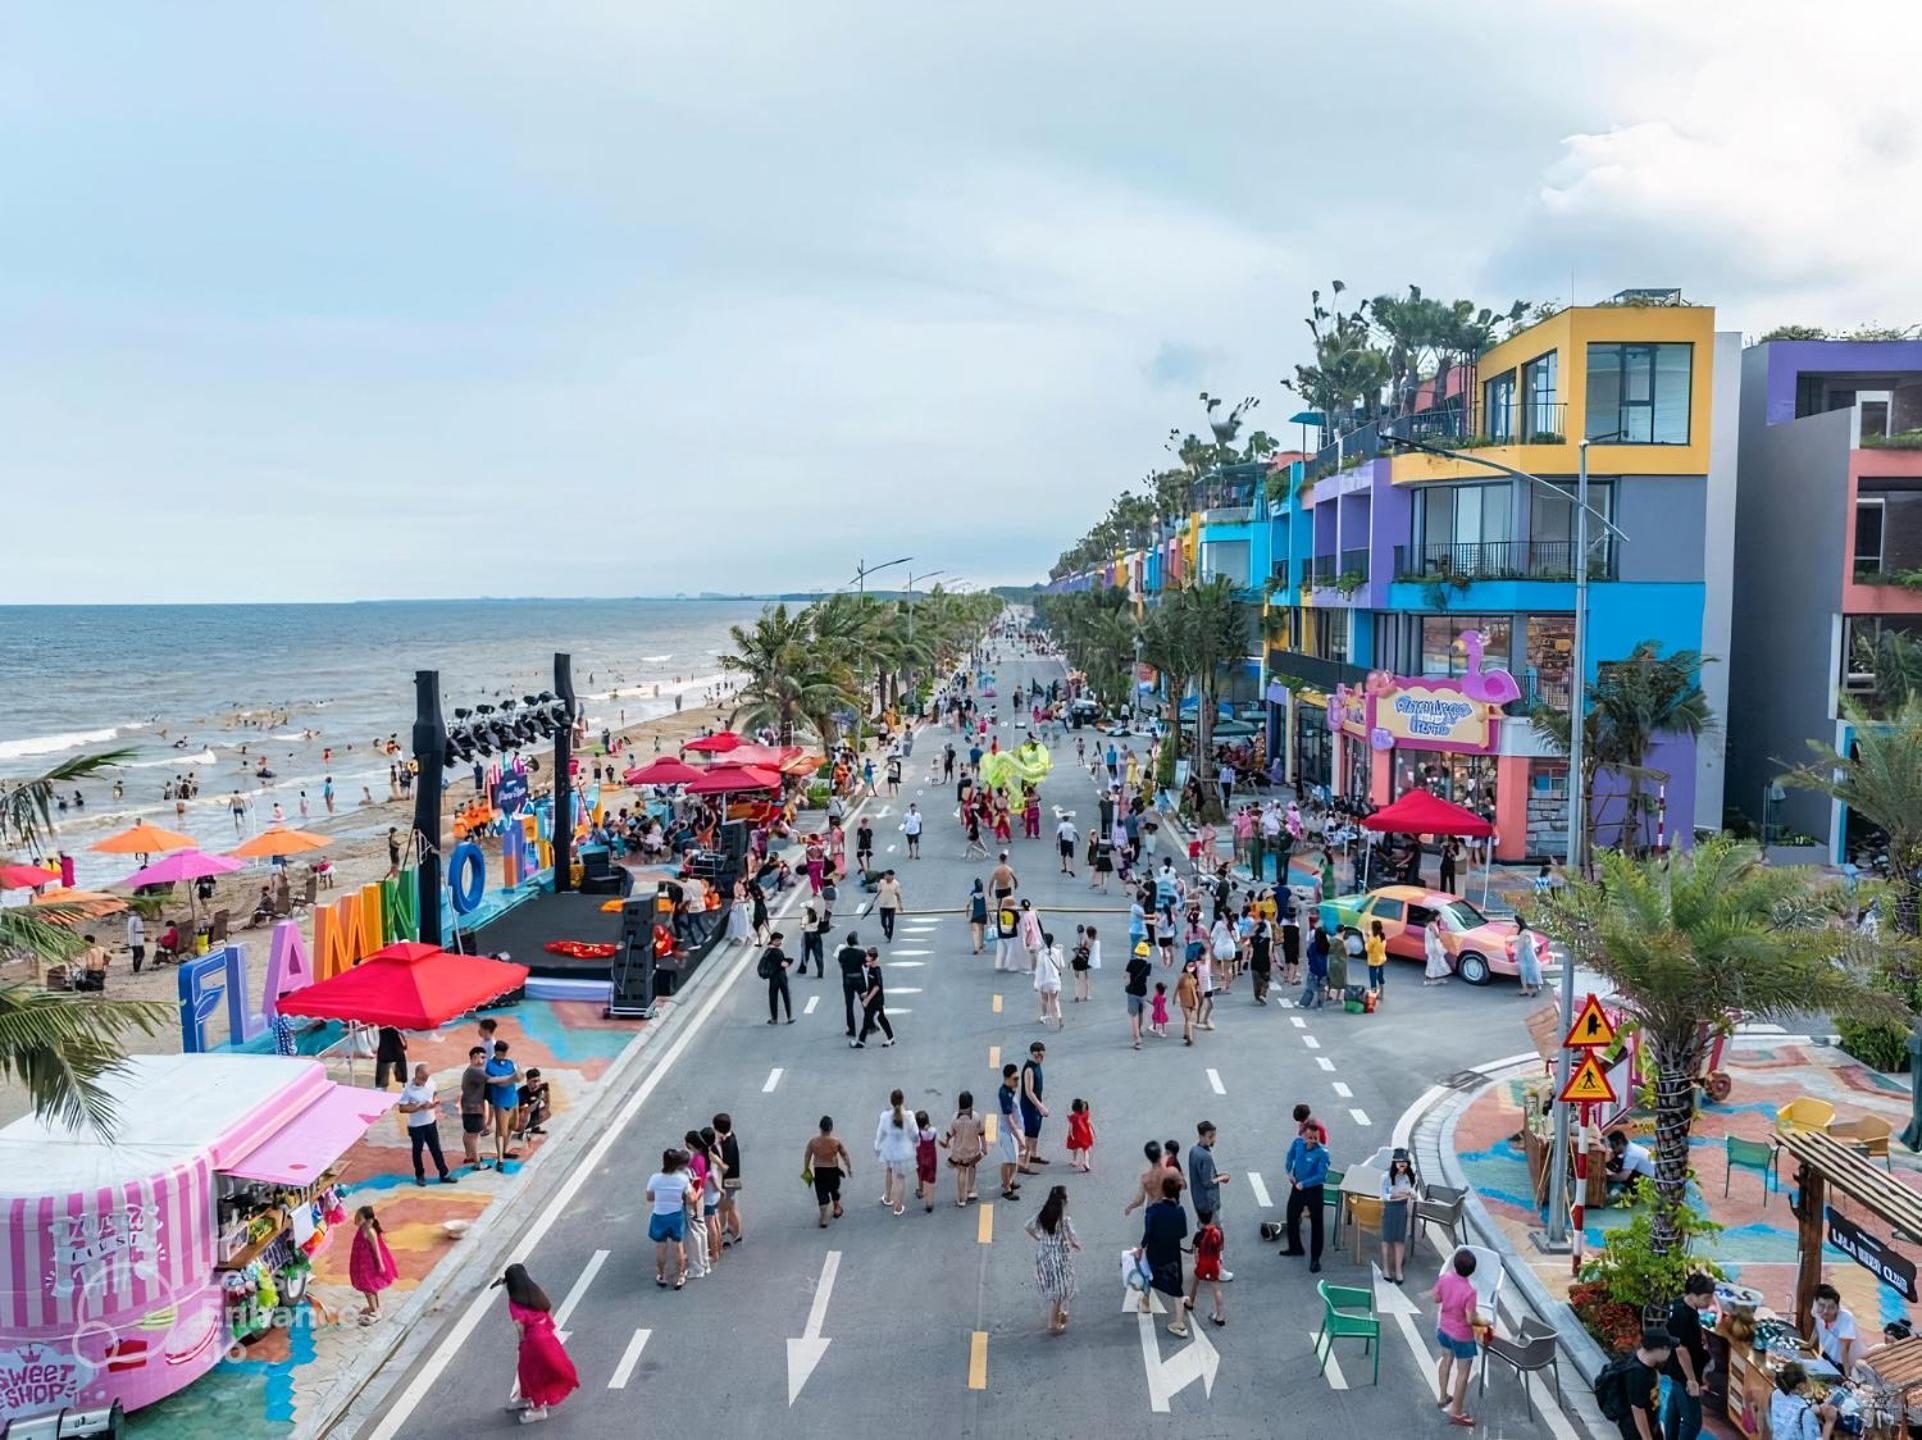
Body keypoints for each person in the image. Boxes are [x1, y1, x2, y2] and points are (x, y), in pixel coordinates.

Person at [495, 1264, 579, 1425]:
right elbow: (549, 1313)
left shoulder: (514, 1303)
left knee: (531, 1375)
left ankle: (537, 1409)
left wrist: (522, 1345)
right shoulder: (536, 1292)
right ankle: (539, 1401)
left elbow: (520, 1328)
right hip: (548, 1338)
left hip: (534, 1342)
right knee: (549, 1370)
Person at [1433, 1248, 1488, 1428]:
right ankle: (1456, 1412)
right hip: (1462, 1336)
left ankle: (1442, 1396)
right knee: (1463, 1372)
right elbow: (1470, 1318)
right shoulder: (1469, 1292)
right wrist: (1484, 1324)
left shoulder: (1445, 1278)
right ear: (1472, 1270)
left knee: (1446, 1360)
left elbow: (1436, 1298)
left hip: (1444, 1329)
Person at [1137, 1175, 1190, 1338]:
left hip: (1155, 1250)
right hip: (1172, 1252)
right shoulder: (1179, 1210)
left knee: (1148, 1274)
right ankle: (1179, 1323)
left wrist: (1142, 1246)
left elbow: (1148, 1232)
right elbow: (1183, 1232)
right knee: (1176, 1287)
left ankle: (1145, 1302)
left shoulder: (1153, 1210)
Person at [1663, 1272, 1715, 1440]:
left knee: (1675, 1409)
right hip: (1684, 1372)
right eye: (1707, 1298)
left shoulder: (1679, 1305)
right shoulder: (1683, 1316)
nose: (1709, 1302)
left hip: (1677, 1370)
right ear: (1696, 1295)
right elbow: (1681, 1350)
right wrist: (1692, 1380)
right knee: (1693, 1421)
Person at [1026, 1185, 1082, 1335]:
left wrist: (1040, 1238)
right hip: (1060, 1257)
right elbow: (1070, 1236)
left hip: (1044, 1257)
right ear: (1063, 1201)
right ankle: (1054, 1322)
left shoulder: (1043, 1214)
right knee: (1062, 1290)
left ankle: (1060, 1315)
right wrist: (1075, 1244)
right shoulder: (1064, 1220)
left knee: (1056, 1289)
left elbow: (1028, 1227)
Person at [1187, 1121, 1233, 1282]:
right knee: (1216, 1235)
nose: (1214, 1139)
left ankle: (1201, 1263)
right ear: (1203, 1136)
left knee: (1204, 1233)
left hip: (1199, 1201)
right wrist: (1222, 1177)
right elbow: (1208, 1182)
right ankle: (1217, 1268)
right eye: (1211, 1136)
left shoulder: (1194, 1151)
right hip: (1209, 1203)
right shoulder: (1205, 1156)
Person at [397, 1062, 456, 1186]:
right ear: (416, 1075)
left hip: (430, 1122)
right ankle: (420, 1175)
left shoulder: (431, 1082)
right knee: (417, 1151)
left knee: (436, 1149)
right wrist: (419, 1107)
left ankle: (444, 1173)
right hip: (416, 1126)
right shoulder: (408, 1089)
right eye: (421, 1079)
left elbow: (434, 1093)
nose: (423, 1082)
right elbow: (402, 1108)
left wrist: (434, 1101)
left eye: (425, 1079)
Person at [1281, 1123, 1329, 1271]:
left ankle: (1315, 1258)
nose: (1312, 1141)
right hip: (1298, 1187)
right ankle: (1295, 1247)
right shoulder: (1297, 1144)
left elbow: (1321, 1176)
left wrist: (1304, 1184)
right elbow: (1290, 1156)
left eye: (1315, 1138)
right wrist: (1289, 1171)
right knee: (1292, 1215)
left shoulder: (1322, 1153)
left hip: (1313, 1190)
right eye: (1310, 1137)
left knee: (1316, 1223)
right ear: (1304, 1135)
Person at [646, 1148, 693, 1286]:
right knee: (678, 1246)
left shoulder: (655, 1178)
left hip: (659, 1215)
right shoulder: (682, 1179)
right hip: (676, 1216)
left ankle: (661, 1275)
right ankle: (680, 1276)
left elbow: (649, 1197)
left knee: (661, 1246)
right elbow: (691, 1198)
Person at [349, 1206, 397, 1324]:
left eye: (358, 1217)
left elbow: (377, 1250)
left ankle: (375, 1312)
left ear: (365, 1219)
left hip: (368, 1265)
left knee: (368, 1288)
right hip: (361, 1263)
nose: (355, 1219)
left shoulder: (370, 1231)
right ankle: (374, 1307)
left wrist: (380, 1265)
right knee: (370, 1288)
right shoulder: (362, 1228)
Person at [1765, 1361, 1837, 1440]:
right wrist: (1829, 1422)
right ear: (1801, 1385)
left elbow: (1792, 1414)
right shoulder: (1807, 1415)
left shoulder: (1777, 1393)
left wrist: (1814, 1409)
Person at [874, 1090, 917, 1215]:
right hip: (903, 1151)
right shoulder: (909, 1115)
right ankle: (898, 1207)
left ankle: (888, 1197)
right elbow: (915, 1134)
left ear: (891, 1102)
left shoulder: (885, 1116)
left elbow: (880, 1135)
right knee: (900, 1177)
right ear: (903, 1100)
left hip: (889, 1149)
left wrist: (877, 1149)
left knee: (889, 1170)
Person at [804, 1116, 852, 1228]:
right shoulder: (835, 1142)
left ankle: (823, 1218)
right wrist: (848, 1167)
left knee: (822, 1194)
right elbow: (844, 1155)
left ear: (820, 1128)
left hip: (819, 1171)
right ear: (831, 1128)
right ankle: (836, 1208)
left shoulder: (813, 1142)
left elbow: (807, 1156)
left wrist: (806, 1169)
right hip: (833, 1171)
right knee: (834, 1190)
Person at [1380, 1149, 1417, 1283]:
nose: (1402, 1166)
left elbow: (1411, 1192)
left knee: (1399, 1240)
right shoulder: (1386, 1177)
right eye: (1399, 1163)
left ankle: (1398, 1269)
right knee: (1387, 1239)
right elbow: (1384, 1195)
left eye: (1404, 1163)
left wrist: (1409, 1194)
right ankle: (1386, 1268)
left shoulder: (1408, 1177)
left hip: (1402, 1209)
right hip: (1390, 1209)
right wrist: (1398, 1194)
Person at [941, 1093, 985, 1206]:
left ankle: (961, 1199)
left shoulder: (955, 1118)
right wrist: (984, 1147)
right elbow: (982, 1133)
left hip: (959, 1151)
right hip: (973, 1150)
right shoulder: (976, 1117)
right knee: (972, 1167)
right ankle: (970, 1190)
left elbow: (949, 1133)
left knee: (961, 1171)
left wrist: (946, 1142)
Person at [485, 1041, 521, 1169]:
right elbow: (500, 1083)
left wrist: (518, 1075)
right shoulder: (490, 1065)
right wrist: (512, 1077)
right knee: (501, 1131)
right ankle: (500, 1158)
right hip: (501, 1102)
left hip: (513, 1099)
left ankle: (505, 1151)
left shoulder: (510, 1062)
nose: (506, 1055)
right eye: (503, 1053)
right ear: (497, 1052)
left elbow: (519, 1077)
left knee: (512, 1127)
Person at [1188, 1211, 1226, 1328]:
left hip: (1203, 1263)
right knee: (1216, 1289)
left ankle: (1190, 1302)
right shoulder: (1218, 1232)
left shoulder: (1199, 1235)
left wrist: (1198, 1263)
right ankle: (1220, 1316)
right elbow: (1221, 1248)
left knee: (1195, 1283)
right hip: (1214, 1263)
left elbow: (1195, 1252)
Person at [1812, 1283, 1860, 1372]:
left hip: (1841, 1363)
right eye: (1822, 1306)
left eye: (1831, 1307)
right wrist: (1810, 1344)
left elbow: (1845, 1350)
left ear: (1837, 1307)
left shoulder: (1846, 1318)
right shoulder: (1817, 1309)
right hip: (1827, 1354)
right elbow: (1817, 1326)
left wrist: (1847, 1376)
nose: (1825, 1311)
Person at [712, 1112, 744, 1246]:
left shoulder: (722, 1146)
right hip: (734, 1178)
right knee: (728, 1208)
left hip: (726, 1181)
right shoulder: (732, 1137)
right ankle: (731, 1231)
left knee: (727, 1209)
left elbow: (723, 1166)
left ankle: (735, 1234)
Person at [855, 947, 894, 1047]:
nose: (866, 957)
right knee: (879, 1018)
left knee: (870, 1018)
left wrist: (867, 999)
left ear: (872, 958)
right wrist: (867, 993)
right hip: (874, 998)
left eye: (868, 956)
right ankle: (890, 1037)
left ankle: (861, 1041)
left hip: (877, 1000)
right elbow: (872, 986)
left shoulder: (876, 970)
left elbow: (877, 986)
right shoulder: (871, 968)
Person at [1019, 1041, 1050, 1168]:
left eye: (1042, 1056)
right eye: (1037, 1056)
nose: (1040, 1059)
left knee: (1036, 1131)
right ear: (1032, 1055)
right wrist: (1040, 1106)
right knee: (1030, 1135)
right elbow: (1028, 1091)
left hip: (1036, 1104)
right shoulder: (1029, 1069)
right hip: (1030, 1106)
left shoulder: (1037, 1066)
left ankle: (1033, 1155)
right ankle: (1024, 1163)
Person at [996, 1063, 1024, 1199]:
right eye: (1015, 1078)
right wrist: (1019, 1138)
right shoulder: (1004, 1094)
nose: (1018, 1081)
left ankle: (1010, 1181)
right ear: (1007, 1078)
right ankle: (1006, 1188)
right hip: (1008, 1133)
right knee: (1008, 1161)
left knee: (1014, 1160)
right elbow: (1009, 1120)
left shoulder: (1011, 1089)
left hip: (1014, 1131)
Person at [459, 1045, 490, 1169]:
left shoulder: (469, 1071)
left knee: (468, 1133)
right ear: (474, 1057)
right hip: (474, 1109)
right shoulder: (475, 1071)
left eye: (484, 1058)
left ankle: (469, 1156)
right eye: (481, 1057)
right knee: (474, 1135)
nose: (482, 1060)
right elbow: (493, 1080)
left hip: (468, 1108)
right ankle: (477, 1162)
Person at [1605, 1130, 1657, 1195]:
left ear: (1620, 1142)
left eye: (1613, 1147)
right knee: (1619, 1162)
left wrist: (1608, 1178)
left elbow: (1623, 1177)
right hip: (1650, 1173)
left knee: (1625, 1179)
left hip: (1652, 1180)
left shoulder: (1631, 1153)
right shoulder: (1631, 1146)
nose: (1613, 1150)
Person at [837, 931, 868, 1040]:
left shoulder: (842, 952)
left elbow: (841, 964)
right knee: (865, 1002)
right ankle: (868, 1024)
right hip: (859, 979)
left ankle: (852, 1029)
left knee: (849, 1005)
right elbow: (866, 964)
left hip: (848, 980)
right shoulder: (861, 952)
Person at [759, 931, 793, 1024]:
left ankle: (774, 1019)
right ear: (773, 941)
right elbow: (783, 964)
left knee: (773, 997)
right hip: (781, 976)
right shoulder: (777, 952)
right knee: (786, 996)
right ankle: (789, 1017)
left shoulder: (768, 951)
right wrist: (789, 961)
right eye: (778, 940)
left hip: (773, 977)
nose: (780, 942)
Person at [1124, 939, 1153, 1049]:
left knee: (1134, 1015)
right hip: (1142, 992)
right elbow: (1147, 980)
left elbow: (1126, 977)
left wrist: (1127, 983)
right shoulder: (1147, 965)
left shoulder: (1131, 963)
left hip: (1132, 992)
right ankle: (1140, 1030)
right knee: (1141, 1013)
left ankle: (1137, 1039)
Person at [1034, 931, 1063, 1028]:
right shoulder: (1058, 951)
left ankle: (1045, 1016)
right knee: (1055, 1000)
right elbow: (1061, 965)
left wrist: (1037, 984)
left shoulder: (1041, 954)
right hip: (1055, 980)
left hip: (1045, 981)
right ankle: (1059, 1018)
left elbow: (1039, 970)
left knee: (1044, 999)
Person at [913, 1110, 939, 1213]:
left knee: (920, 1173)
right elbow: (939, 1139)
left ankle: (921, 1190)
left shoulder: (917, 1133)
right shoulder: (933, 1131)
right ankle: (929, 1202)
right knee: (930, 1178)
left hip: (921, 1157)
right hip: (931, 1157)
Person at [1515, 915, 1545, 998]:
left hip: (1524, 955)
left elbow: (1521, 946)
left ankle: (1525, 989)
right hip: (1531, 954)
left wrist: (1516, 955)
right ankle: (1536, 987)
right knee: (1533, 970)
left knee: (1524, 971)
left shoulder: (1523, 933)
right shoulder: (1529, 932)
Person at [374, 1026, 408, 1091]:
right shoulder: (395, 1025)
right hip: (396, 1051)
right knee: (401, 1076)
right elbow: (403, 1035)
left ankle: (380, 1092)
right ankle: (403, 1091)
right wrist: (405, 1045)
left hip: (383, 1051)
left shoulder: (379, 1026)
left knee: (381, 1079)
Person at [1066, 1098, 1095, 1172]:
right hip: (1085, 1135)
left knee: (1075, 1148)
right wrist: (1093, 1132)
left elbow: (1071, 1126)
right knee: (1086, 1150)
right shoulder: (1086, 1114)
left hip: (1076, 1135)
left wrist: (1070, 1134)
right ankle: (1086, 1163)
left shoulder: (1073, 1116)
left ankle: (1075, 1161)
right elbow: (1089, 1123)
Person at [875, 870, 903, 942]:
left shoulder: (896, 884)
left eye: (890, 878)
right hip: (883, 905)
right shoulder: (881, 883)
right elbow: (878, 892)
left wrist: (900, 905)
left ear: (893, 877)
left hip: (892, 905)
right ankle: (885, 929)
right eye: (887, 878)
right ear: (885, 876)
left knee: (891, 921)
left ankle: (890, 936)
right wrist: (875, 899)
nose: (888, 879)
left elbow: (898, 895)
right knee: (883, 922)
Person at [1424, 915, 1452, 985]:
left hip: (1434, 945)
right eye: (1438, 916)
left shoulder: (1432, 924)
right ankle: (1430, 978)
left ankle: (1434, 977)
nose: (1439, 918)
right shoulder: (1431, 925)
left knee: (1437, 961)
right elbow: (1436, 935)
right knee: (1434, 961)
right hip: (1434, 946)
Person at [1365, 919, 1388, 997]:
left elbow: (1368, 949)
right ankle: (1382, 993)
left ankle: (1373, 994)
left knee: (1373, 977)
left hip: (1373, 960)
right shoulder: (1382, 935)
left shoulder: (1373, 938)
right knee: (1380, 976)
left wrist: (1366, 940)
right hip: (1381, 959)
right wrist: (1369, 936)